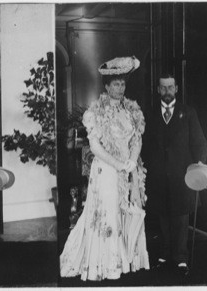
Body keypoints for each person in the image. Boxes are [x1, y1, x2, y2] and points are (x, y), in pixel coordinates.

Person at [60, 56, 149, 281]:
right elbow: (96, 147)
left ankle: (127, 259)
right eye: (115, 84)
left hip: (129, 168)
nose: (120, 88)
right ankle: (108, 264)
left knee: (128, 211)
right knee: (108, 214)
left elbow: (136, 139)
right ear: (107, 86)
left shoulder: (132, 110)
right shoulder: (95, 113)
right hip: (107, 170)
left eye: (122, 84)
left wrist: (131, 162)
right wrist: (119, 165)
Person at [142, 73, 207, 276]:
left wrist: (199, 164)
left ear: (176, 89)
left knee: (180, 217)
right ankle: (164, 255)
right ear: (158, 90)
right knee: (163, 216)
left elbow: (199, 142)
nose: (167, 91)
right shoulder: (150, 114)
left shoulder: (188, 113)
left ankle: (180, 258)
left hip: (182, 175)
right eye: (163, 88)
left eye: (171, 87)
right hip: (159, 176)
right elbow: (144, 145)